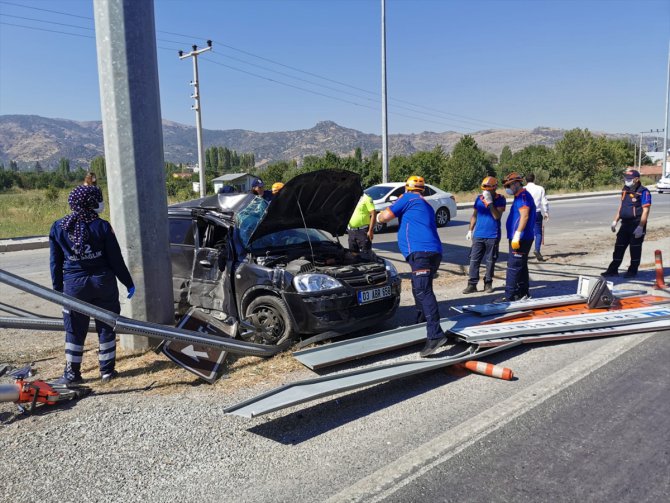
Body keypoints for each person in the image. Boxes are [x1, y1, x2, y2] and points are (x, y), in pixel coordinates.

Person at [49, 185, 135, 385]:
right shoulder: (102, 226)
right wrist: (128, 282)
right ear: (91, 202)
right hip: (103, 283)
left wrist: (57, 289)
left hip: (74, 287)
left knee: (74, 329)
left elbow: (55, 262)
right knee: (106, 325)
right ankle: (107, 372)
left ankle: (72, 373)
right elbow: (116, 260)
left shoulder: (58, 227)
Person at [376, 175, 453, 357]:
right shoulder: (425, 203)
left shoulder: (408, 198)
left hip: (421, 253)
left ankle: (435, 335)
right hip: (433, 252)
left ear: (407, 188)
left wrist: (380, 213)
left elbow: (384, 217)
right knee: (419, 287)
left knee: (424, 291)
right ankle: (421, 321)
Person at [602, 169, 652, 278]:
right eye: (626, 178)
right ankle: (613, 270)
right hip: (625, 224)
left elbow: (646, 210)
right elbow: (621, 206)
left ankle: (632, 271)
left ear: (636, 179)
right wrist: (615, 220)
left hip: (636, 224)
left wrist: (640, 227)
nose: (626, 180)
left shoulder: (644, 192)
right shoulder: (625, 190)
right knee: (619, 247)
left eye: (629, 179)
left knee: (635, 249)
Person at [463, 176, 506, 294]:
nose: (485, 191)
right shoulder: (479, 199)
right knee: (474, 260)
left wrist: (490, 203)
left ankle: (488, 283)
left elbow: (497, 216)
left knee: (490, 260)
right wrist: (470, 230)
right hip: (479, 234)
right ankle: (472, 284)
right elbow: (474, 215)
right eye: (484, 189)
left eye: (488, 189)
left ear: (494, 188)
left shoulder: (501, 199)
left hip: (493, 235)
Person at [501, 171, 536, 302]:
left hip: (521, 238)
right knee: (521, 265)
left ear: (516, 184)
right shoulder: (519, 196)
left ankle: (509, 296)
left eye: (509, 186)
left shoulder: (523, 197)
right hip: (521, 237)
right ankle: (523, 292)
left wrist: (517, 234)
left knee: (513, 266)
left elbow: (525, 215)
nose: (507, 189)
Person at [524, 173, 549, 261]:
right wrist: (546, 212)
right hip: (536, 212)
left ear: (525, 180)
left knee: (526, 232)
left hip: (525, 213)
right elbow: (544, 201)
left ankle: (524, 252)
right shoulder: (540, 188)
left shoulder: (523, 189)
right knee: (538, 233)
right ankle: (537, 249)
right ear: (534, 179)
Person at [347, 191, 376, 260]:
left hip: (362, 231)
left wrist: (370, 230)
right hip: (351, 231)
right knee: (353, 254)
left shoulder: (366, 198)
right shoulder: (351, 199)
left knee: (366, 254)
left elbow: (373, 214)